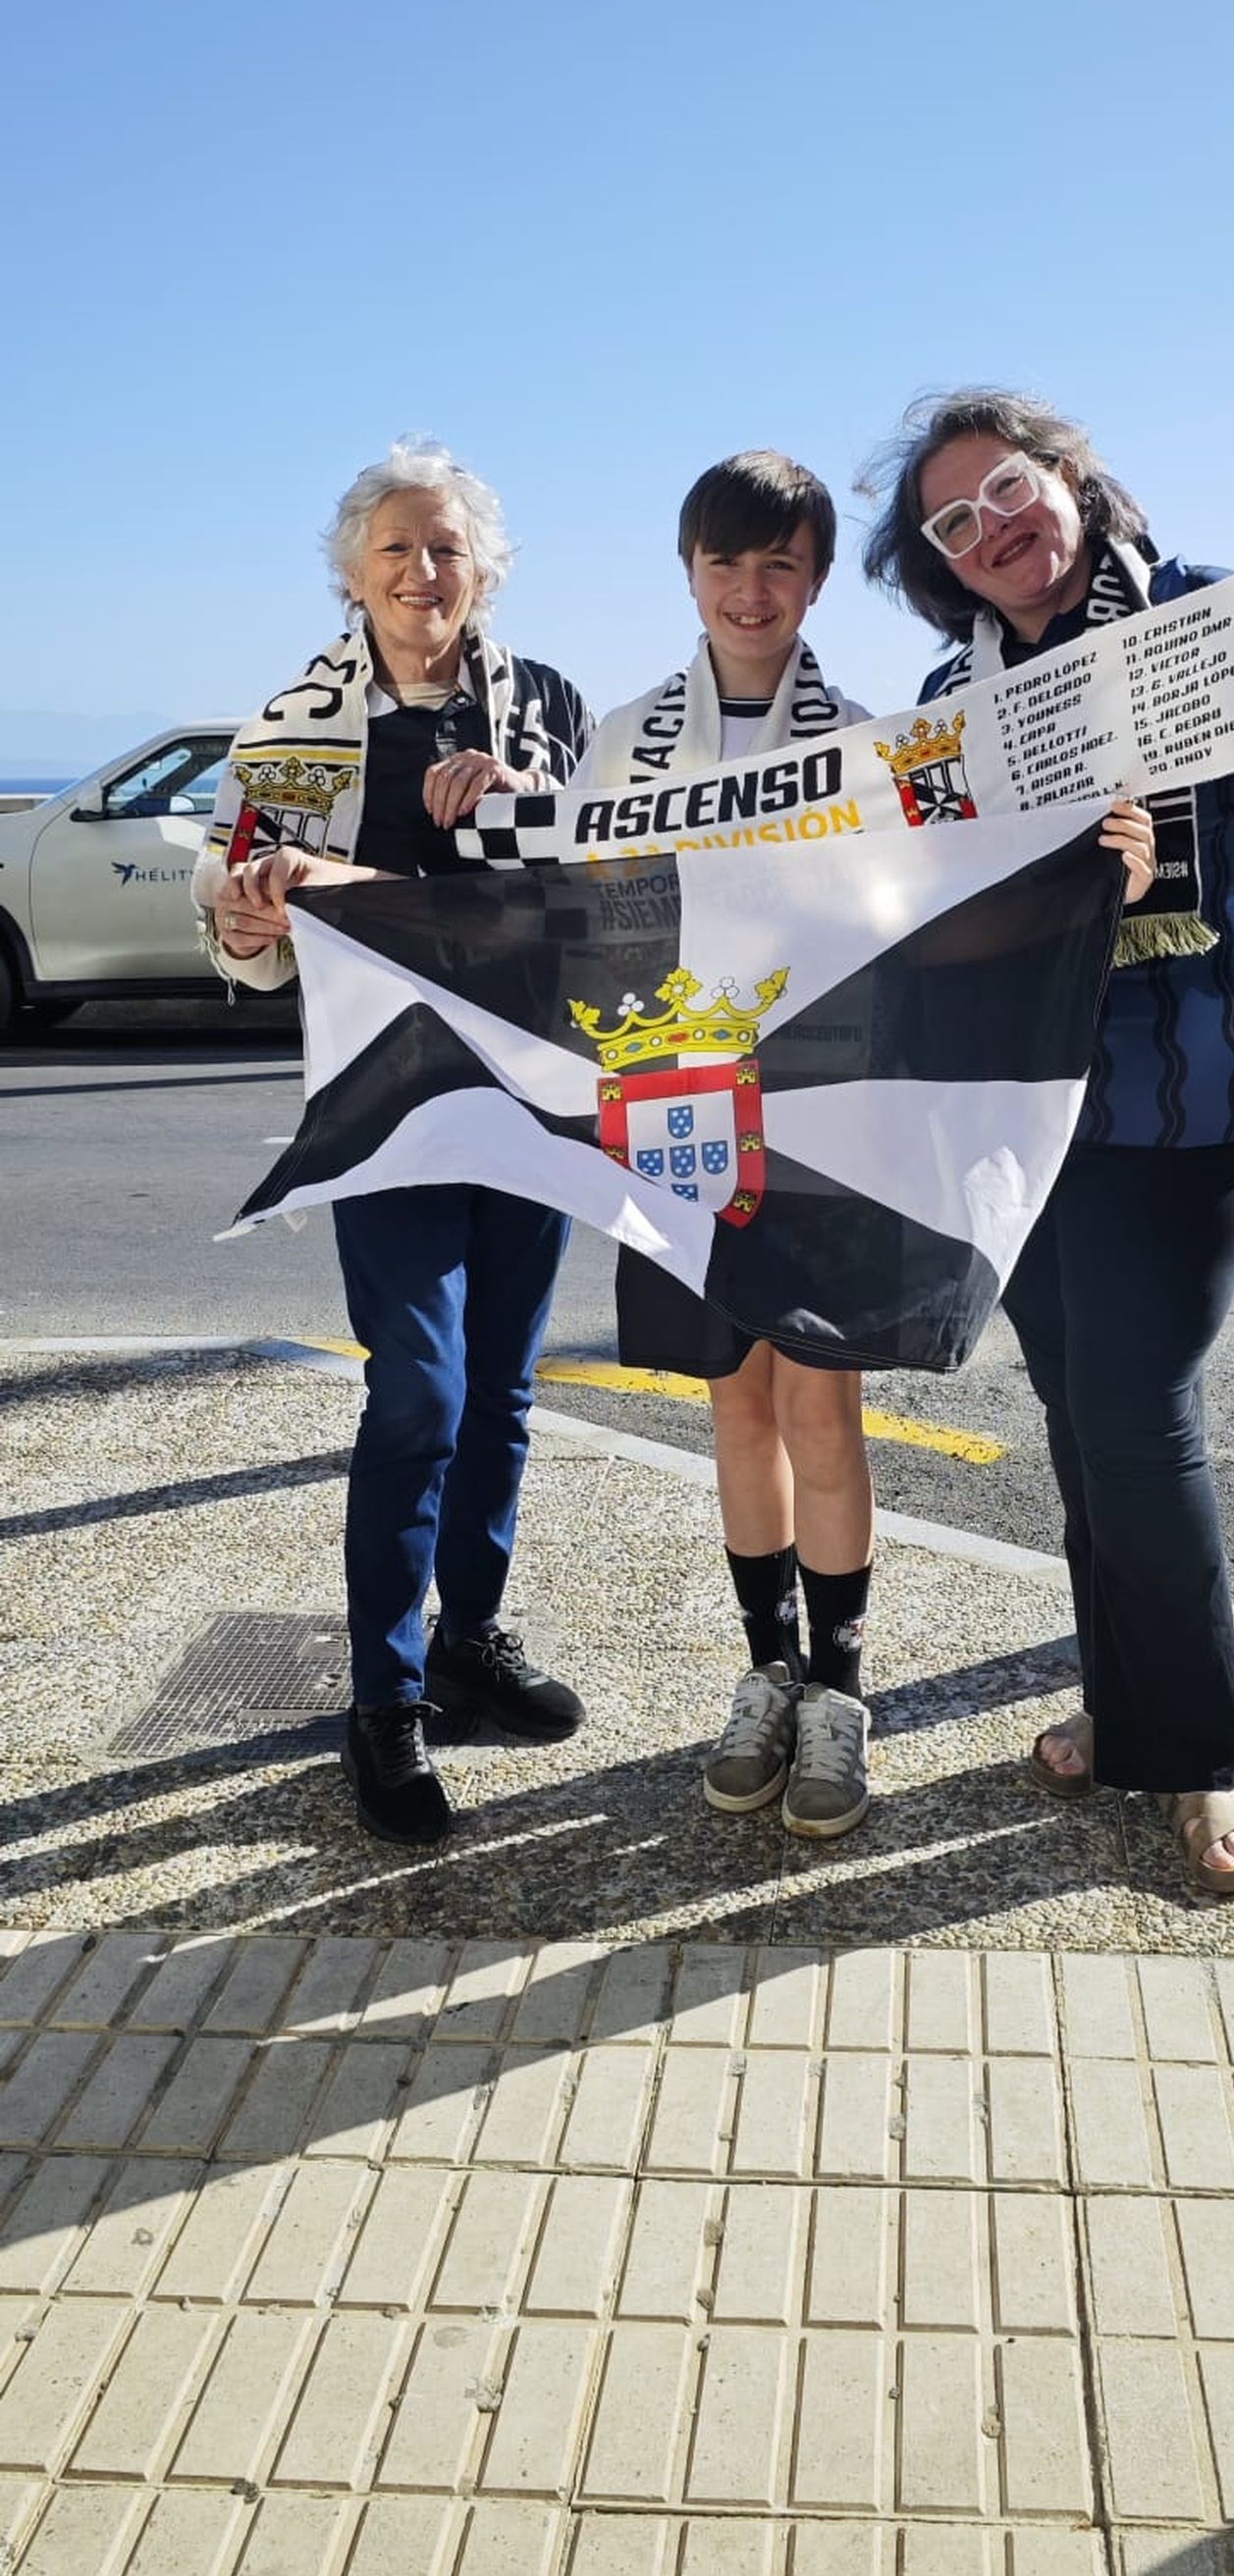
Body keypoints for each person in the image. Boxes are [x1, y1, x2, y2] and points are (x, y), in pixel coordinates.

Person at [863, 389, 1234, 1898]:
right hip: (1034, 1098)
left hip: (1206, 1082)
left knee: (1133, 1403)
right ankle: (1125, 1701)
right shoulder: (952, 692)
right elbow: (919, 897)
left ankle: (1195, 1749)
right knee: (1077, 1406)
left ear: (1071, 475)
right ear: (938, 561)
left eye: (1012, 486)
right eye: (954, 518)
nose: (996, 524)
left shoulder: (1219, 615)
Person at [192, 439, 592, 1850]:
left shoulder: (543, 704)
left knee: (504, 1389)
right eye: (398, 552)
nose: (426, 574)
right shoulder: (298, 722)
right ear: (354, 574)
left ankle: (473, 1636)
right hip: (387, 1101)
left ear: (485, 568)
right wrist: (241, 924)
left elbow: (597, 885)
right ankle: (385, 1695)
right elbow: (238, 901)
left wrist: (521, 808)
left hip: (528, 1089)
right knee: (417, 1389)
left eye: (448, 550)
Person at [579, 450, 881, 1840]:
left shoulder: (870, 740)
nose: (751, 592)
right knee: (732, 1398)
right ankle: (762, 1669)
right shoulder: (623, 737)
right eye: (726, 563)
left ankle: (839, 1685)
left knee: (823, 1401)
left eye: (781, 565)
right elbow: (566, 914)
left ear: (815, 579)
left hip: (816, 1117)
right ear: (687, 572)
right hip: (675, 1114)